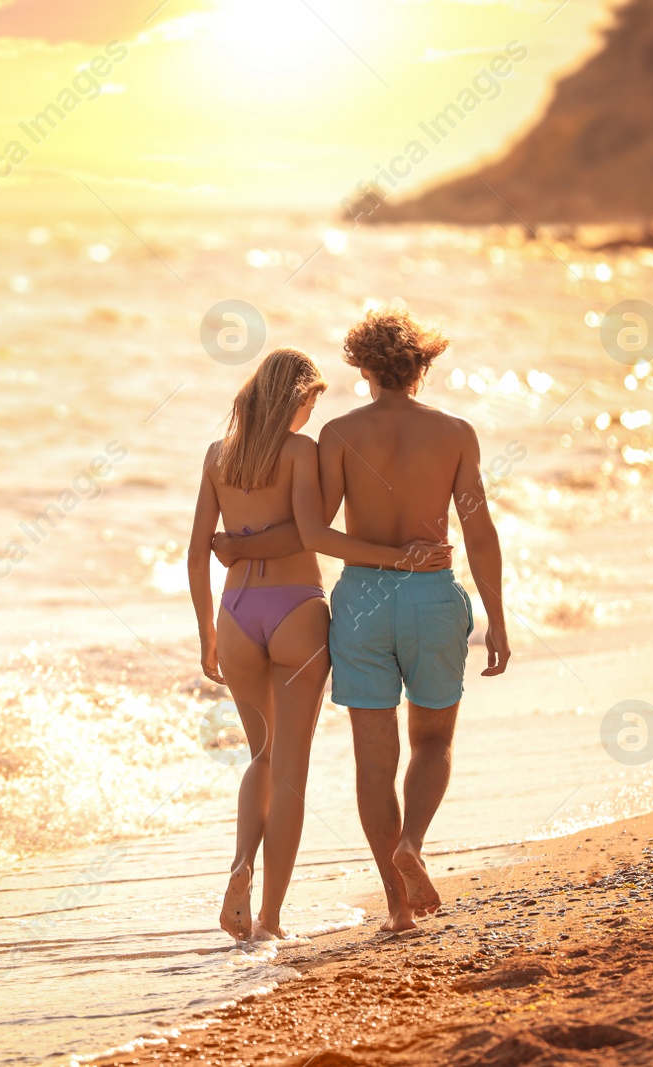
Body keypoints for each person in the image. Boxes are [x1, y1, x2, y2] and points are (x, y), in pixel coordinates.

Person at [214, 309, 509, 932]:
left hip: (362, 604)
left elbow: (312, 534)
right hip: (431, 595)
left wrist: (241, 548)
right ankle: (412, 846)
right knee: (433, 741)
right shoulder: (457, 433)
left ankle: (398, 908)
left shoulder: (339, 436)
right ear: (421, 367)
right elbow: (478, 531)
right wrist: (497, 617)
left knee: (373, 760)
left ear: (362, 366)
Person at [187, 347, 451, 942]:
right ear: (295, 399)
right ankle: (271, 919)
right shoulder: (300, 450)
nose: (312, 412)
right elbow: (314, 536)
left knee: (259, 756)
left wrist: (206, 630)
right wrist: (398, 557)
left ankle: (239, 869)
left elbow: (197, 547)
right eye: (311, 400)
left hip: (234, 616)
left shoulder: (216, 456)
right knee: (290, 772)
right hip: (296, 613)